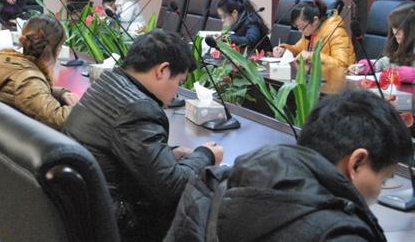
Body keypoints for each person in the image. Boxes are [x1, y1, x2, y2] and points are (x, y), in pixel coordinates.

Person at [165, 89, 413, 241]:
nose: (378, 192)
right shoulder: (342, 234)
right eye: (383, 180)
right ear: (357, 162)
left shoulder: (212, 186)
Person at [63, 29, 224, 241]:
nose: (177, 93)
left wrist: (167, 154)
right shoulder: (138, 109)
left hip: (82, 212)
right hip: (118, 224)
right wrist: (206, 155)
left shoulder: (107, 83)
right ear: (162, 70)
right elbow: (171, 188)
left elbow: (118, 145)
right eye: (179, 82)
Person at [0, 14, 79, 130]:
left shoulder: (15, 66)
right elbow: (58, 120)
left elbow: (31, 93)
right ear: (57, 50)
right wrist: (80, 108)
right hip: (18, 139)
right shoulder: (28, 79)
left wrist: (61, 94)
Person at [272, 0, 356, 69]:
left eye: (302, 27)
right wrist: (284, 50)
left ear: (315, 20)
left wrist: (311, 56)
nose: (300, 31)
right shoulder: (311, 31)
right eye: (297, 27)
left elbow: (342, 64)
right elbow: (298, 50)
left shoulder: (337, 33)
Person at [350, 2, 415, 82]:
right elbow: (389, 62)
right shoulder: (401, 46)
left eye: (400, 28)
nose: (395, 32)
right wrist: (372, 65)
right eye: (394, 27)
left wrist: (412, 75)